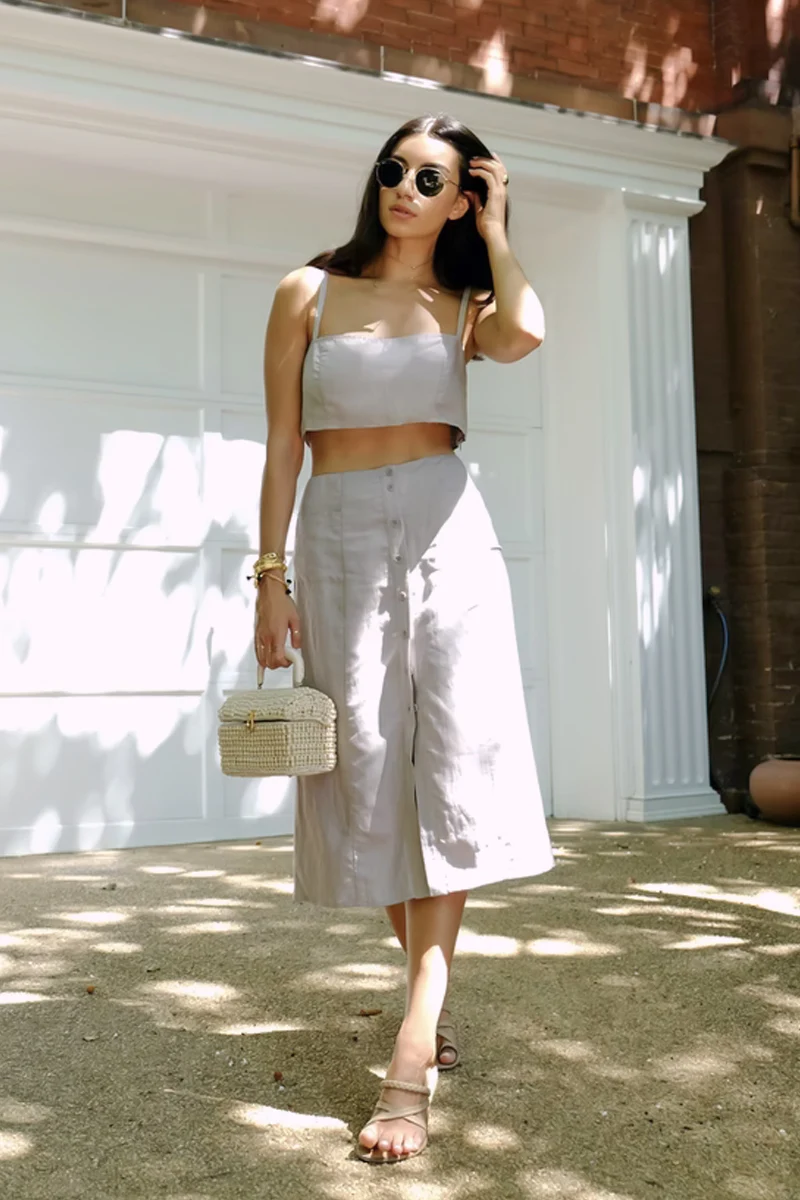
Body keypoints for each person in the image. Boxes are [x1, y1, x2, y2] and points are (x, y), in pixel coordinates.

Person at [252, 113, 554, 1165]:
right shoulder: (308, 291)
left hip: (446, 535)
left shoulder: (465, 301)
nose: (402, 189)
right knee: (372, 772)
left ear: (458, 196)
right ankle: (429, 998)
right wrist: (268, 578)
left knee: (454, 767)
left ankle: (412, 1047)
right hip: (333, 533)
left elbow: (527, 332)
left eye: (429, 178)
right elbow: (282, 447)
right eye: (390, 170)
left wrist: (501, 228)